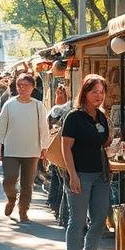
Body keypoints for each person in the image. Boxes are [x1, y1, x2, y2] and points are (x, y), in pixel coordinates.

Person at [60, 74, 111, 250]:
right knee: (78, 220)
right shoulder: (74, 116)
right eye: (94, 92)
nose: (98, 96)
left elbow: (103, 142)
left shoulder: (101, 116)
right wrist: (72, 175)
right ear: (85, 93)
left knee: (99, 219)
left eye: (102, 92)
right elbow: (66, 147)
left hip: (101, 173)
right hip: (80, 173)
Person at [0, 73, 50, 222]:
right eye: (20, 85)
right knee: (9, 179)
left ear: (32, 87)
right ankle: (11, 198)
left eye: (26, 85)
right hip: (11, 149)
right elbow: (1, 126)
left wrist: (45, 146)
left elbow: (44, 127)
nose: (23, 88)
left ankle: (23, 211)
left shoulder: (38, 106)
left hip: (32, 150)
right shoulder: (9, 104)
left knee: (27, 184)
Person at [46, 83, 71, 221]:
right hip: (59, 151)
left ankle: (59, 212)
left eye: (61, 93)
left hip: (58, 151)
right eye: (57, 93)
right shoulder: (59, 110)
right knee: (63, 184)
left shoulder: (60, 110)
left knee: (62, 183)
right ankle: (61, 214)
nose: (58, 96)